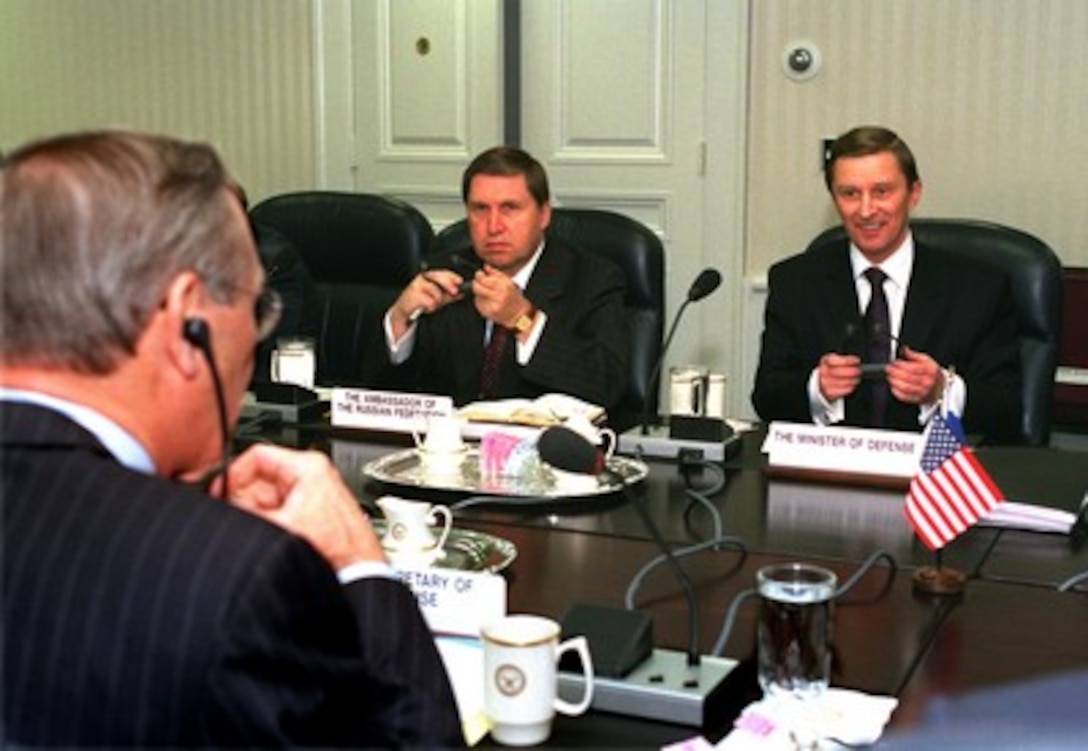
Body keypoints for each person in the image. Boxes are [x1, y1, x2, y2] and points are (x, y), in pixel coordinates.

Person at [0, 130, 464, 747]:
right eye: (254, 310)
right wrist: (362, 571)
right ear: (188, 319)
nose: (253, 341)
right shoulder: (235, 577)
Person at [752, 125, 1021, 443]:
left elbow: (1007, 409)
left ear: (914, 194)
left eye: (882, 191)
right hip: (830, 474)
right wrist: (817, 389)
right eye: (850, 193)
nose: (866, 210)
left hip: (933, 480)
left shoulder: (979, 288)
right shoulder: (795, 282)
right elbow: (767, 397)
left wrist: (941, 390)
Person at [362, 146, 629, 413]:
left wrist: (523, 319)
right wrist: (399, 320)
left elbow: (607, 387)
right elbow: (383, 394)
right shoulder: (446, 272)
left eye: (509, 208)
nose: (493, 226)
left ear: (544, 214)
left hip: (542, 450)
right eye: (480, 209)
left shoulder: (593, 279)